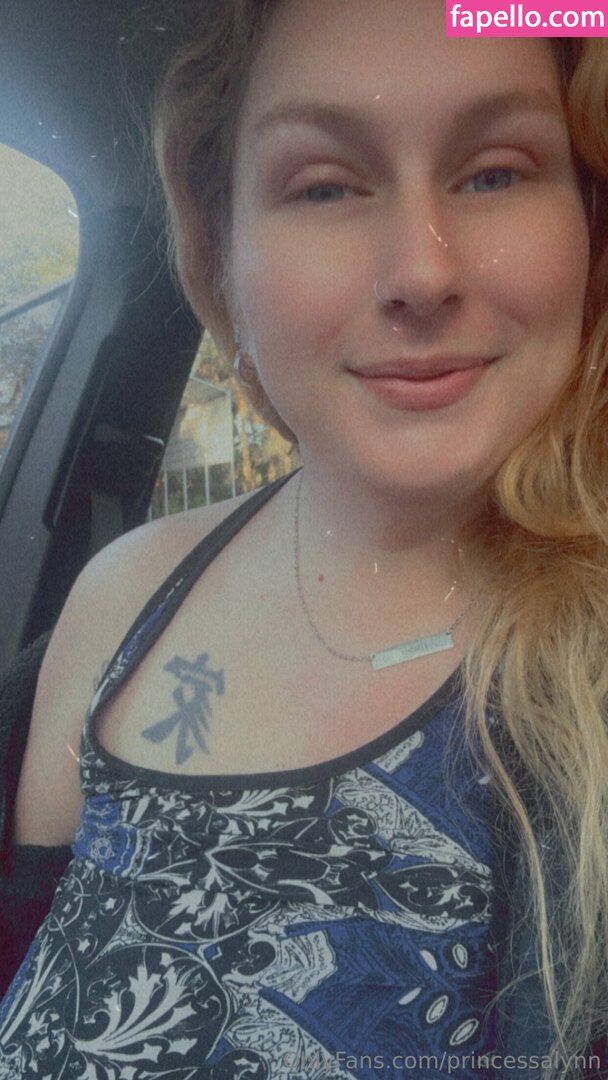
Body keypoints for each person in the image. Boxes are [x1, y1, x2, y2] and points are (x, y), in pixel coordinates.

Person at [0, 0, 607, 1075]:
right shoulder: (122, 597)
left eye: (494, 173)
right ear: (218, 248)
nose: (421, 273)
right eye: (324, 186)